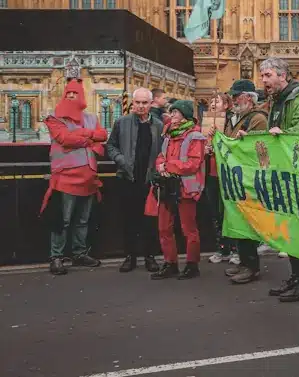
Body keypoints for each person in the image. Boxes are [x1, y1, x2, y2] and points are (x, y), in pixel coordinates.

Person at [259, 58, 299, 302]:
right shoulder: (278, 101)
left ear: (283, 76)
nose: (263, 81)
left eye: (268, 75)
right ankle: (298, 276)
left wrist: (284, 134)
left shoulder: (298, 99)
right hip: (285, 171)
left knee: (297, 229)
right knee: (289, 230)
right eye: (262, 76)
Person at [41, 78, 107, 275]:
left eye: (75, 93)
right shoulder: (54, 117)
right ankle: (56, 257)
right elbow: (64, 139)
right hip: (66, 177)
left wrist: (80, 134)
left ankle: (79, 253)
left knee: (82, 220)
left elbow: (103, 135)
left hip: (88, 178)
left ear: (82, 96)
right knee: (64, 220)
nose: (71, 96)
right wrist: (89, 136)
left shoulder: (91, 117)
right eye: (68, 93)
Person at [106, 87, 163, 274]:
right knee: (129, 219)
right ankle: (130, 256)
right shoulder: (122, 122)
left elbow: (163, 150)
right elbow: (111, 146)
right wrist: (121, 160)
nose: (140, 106)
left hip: (150, 180)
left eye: (144, 103)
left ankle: (150, 256)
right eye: (137, 102)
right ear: (132, 103)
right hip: (127, 178)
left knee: (150, 221)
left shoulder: (159, 125)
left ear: (150, 104)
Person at [149, 100, 207, 281]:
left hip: (186, 188)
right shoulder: (168, 134)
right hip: (168, 186)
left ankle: (192, 265)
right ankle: (170, 263)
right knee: (164, 227)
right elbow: (161, 156)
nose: (172, 115)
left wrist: (168, 166)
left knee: (188, 228)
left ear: (185, 115)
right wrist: (160, 165)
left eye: (175, 113)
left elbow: (193, 164)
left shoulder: (195, 136)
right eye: (171, 112)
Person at [221, 80, 268, 285]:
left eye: (236, 96)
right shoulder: (237, 118)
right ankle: (243, 261)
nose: (233, 100)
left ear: (248, 98)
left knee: (247, 224)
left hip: (248, 180)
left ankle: (251, 265)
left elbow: (259, 146)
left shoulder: (257, 119)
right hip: (236, 178)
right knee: (238, 222)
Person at [204, 93, 237, 265]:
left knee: (228, 212)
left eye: (216, 101)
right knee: (215, 213)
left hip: (226, 173)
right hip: (211, 172)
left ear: (226, 104)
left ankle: (234, 249)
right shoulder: (206, 122)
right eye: (211, 101)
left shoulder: (231, 122)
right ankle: (221, 248)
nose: (213, 104)